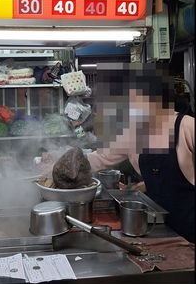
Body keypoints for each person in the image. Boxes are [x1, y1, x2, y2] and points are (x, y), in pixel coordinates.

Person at [54, 63, 194, 242]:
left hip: (190, 224)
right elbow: (100, 158)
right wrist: (57, 165)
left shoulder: (187, 127)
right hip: (159, 227)